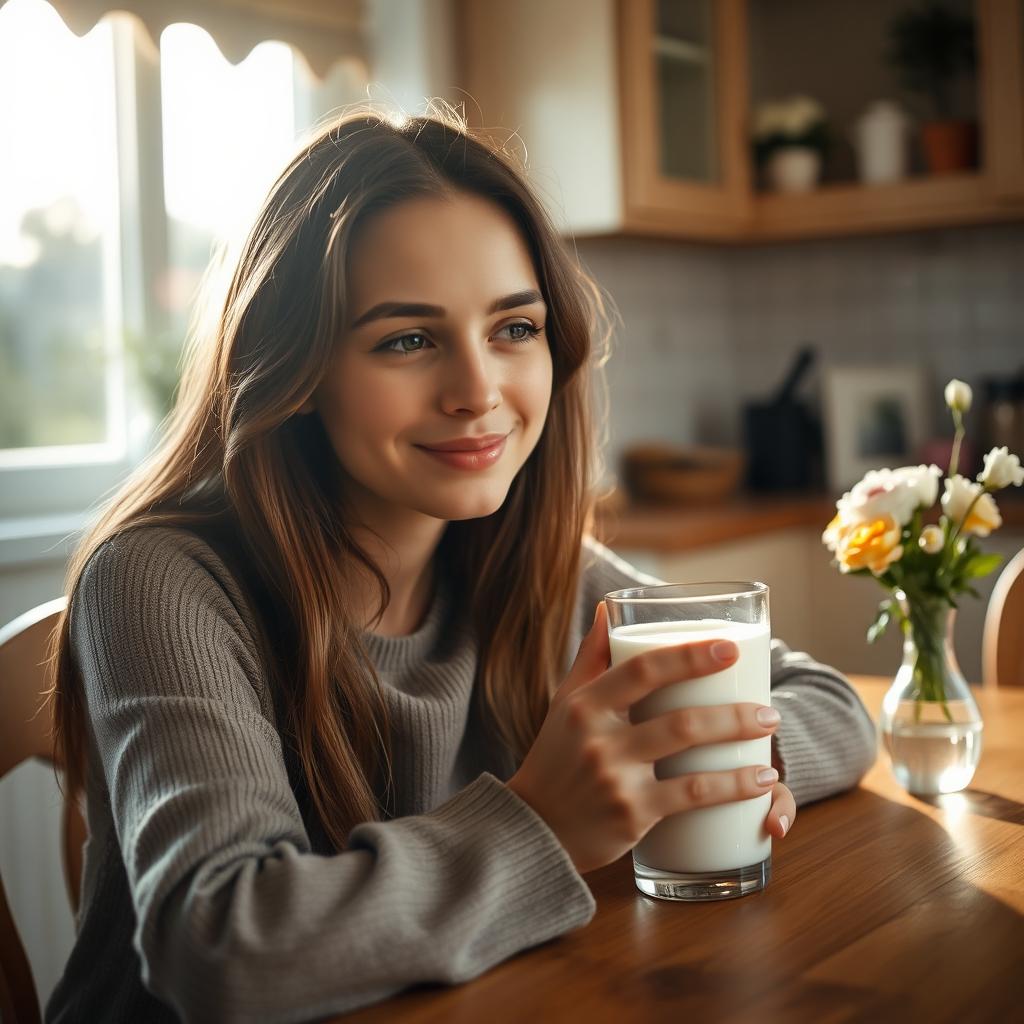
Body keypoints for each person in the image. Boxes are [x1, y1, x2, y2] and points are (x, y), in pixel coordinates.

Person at [46, 107, 876, 1023]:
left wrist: (671, 769)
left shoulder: (530, 562)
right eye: (407, 339)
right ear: (300, 368)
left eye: (514, 328)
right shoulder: (160, 582)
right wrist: (547, 821)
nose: (478, 392)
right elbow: (230, 948)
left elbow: (833, 708)